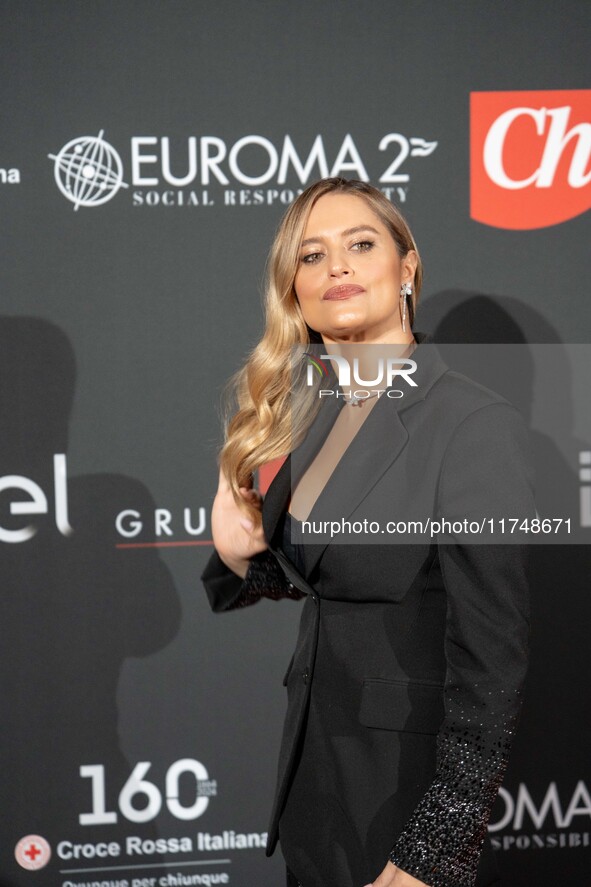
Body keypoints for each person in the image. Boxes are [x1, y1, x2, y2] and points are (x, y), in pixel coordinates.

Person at [201, 178, 536, 887]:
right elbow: (345, 573)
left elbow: (492, 660)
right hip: (314, 785)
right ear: (293, 288)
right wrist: (243, 558)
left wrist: (436, 846)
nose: (338, 268)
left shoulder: (470, 424)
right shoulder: (311, 411)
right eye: (311, 255)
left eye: (361, 244)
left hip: (403, 798)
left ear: (406, 266)